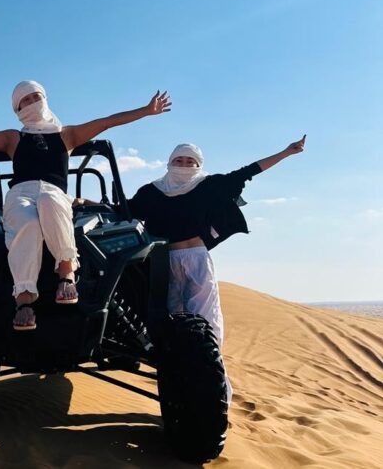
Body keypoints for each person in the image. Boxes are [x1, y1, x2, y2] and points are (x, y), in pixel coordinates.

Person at [0, 80, 171, 330]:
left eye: (35, 96)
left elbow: (107, 122)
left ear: (45, 97)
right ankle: (24, 300)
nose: (31, 103)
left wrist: (146, 111)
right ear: (17, 109)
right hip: (20, 193)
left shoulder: (68, 135)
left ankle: (66, 274)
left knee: (51, 201)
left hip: (54, 192)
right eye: (24, 101)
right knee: (26, 223)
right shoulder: (14, 138)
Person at [127, 135, 307, 401]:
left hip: (197, 258)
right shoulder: (151, 191)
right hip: (163, 262)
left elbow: (249, 171)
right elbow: (123, 209)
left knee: (206, 322)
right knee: (170, 322)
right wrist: (82, 203)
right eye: (179, 160)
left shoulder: (209, 185)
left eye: (190, 161)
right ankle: (180, 390)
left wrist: (286, 152)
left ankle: (216, 391)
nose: (184, 164)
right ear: (169, 162)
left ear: (199, 164)